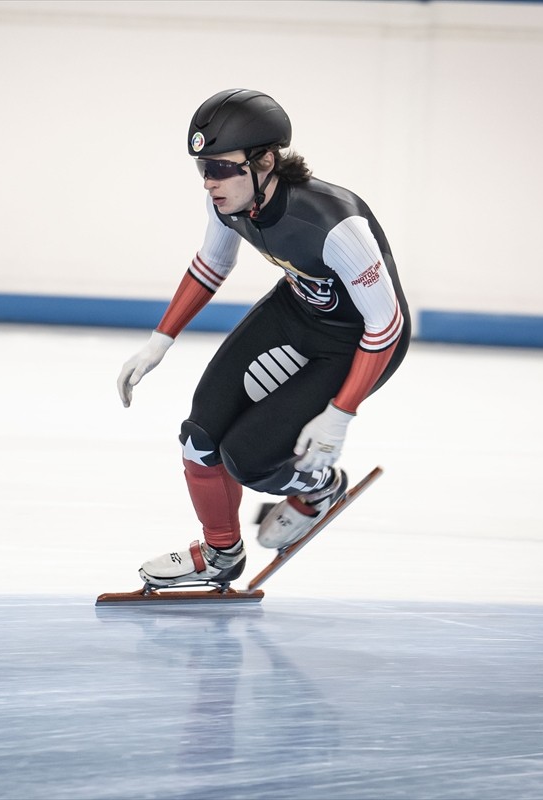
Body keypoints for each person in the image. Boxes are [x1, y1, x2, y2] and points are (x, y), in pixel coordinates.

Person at [116, 88, 411, 589]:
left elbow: (386, 327)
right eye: (202, 169)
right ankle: (220, 554)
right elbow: (213, 264)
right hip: (297, 312)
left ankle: (320, 487)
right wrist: (159, 341)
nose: (210, 182)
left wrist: (339, 416)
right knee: (200, 438)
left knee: (250, 459)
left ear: (265, 161)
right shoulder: (230, 200)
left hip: (360, 343)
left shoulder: (336, 225)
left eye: (222, 168)